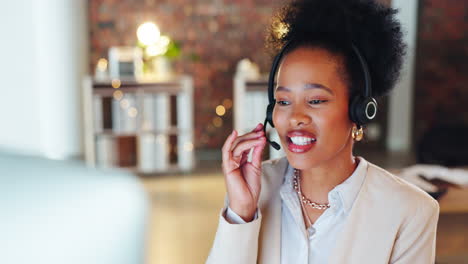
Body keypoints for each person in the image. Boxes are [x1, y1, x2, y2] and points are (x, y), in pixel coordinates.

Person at [207, 0, 439, 263]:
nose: (295, 117)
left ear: (359, 111)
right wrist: (241, 213)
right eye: (283, 101)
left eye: (315, 100)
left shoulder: (410, 211)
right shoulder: (257, 189)